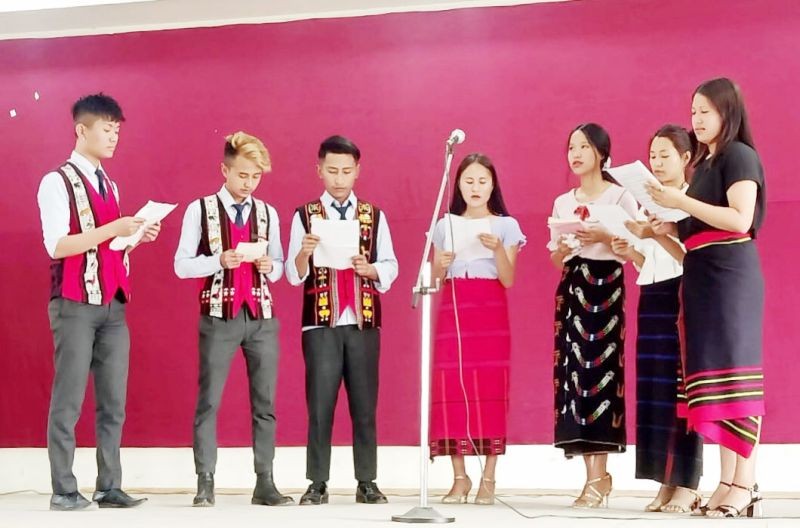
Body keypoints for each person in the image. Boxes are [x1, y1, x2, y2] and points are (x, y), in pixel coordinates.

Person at [649, 78, 766, 518]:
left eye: (706, 111)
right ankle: (727, 482)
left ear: (727, 112)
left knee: (736, 376)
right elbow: (689, 246)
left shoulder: (739, 154)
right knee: (713, 380)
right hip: (700, 278)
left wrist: (679, 200)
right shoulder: (708, 163)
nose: (697, 119)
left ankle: (746, 483)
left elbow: (739, 219)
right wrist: (660, 231)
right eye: (693, 111)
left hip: (731, 278)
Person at [37, 93, 158, 510]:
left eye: (117, 130)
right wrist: (113, 229)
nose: (113, 137)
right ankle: (64, 490)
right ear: (81, 130)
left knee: (113, 401)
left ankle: (108, 485)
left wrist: (134, 238)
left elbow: (107, 247)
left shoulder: (109, 182)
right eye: (106, 129)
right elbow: (58, 245)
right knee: (68, 399)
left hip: (112, 302)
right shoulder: (56, 181)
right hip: (73, 302)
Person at [174, 131, 293, 507]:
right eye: (243, 174)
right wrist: (217, 260)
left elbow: (280, 268)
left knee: (265, 403)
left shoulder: (268, 213)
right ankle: (205, 481)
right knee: (209, 400)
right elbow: (180, 265)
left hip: (261, 315)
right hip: (218, 314)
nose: (249, 183)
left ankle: (265, 482)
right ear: (224, 169)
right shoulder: (201, 209)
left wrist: (269, 264)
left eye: (256, 176)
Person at [286, 135, 399, 505]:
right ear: (318, 170)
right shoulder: (304, 215)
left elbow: (391, 266)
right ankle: (317, 482)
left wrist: (372, 269)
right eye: (332, 171)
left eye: (346, 171)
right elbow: (292, 274)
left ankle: (367, 480)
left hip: (363, 320)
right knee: (320, 404)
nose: (339, 178)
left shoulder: (373, 215)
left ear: (357, 171)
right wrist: (304, 254)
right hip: (320, 322)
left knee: (365, 404)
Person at [611, 125, 703, 513]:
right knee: (653, 392)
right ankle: (663, 480)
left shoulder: (694, 203)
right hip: (651, 296)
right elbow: (651, 260)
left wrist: (659, 232)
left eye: (666, 155)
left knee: (681, 392)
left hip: (681, 296)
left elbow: (693, 259)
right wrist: (630, 246)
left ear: (686, 159)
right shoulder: (650, 203)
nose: (658, 163)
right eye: (653, 156)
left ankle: (687, 482)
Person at [548, 123, 638, 508]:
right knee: (574, 380)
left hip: (607, 286)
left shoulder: (620, 197)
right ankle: (593, 477)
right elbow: (554, 257)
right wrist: (565, 245)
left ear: (601, 151)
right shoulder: (562, 202)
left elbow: (635, 245)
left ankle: (601, 476)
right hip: (573, 284)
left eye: (584, 146)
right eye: (571, 147)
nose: (576, 153)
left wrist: (603, 237)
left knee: (601, 378)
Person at [429, 153, 525, 505]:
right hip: (454, 304)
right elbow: (436, 280)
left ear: (493, 185)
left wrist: (498, 249)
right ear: (457, 184)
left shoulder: (506, 226)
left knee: (489, 387)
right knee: (450, 386)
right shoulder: (445, 225)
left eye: (482, 181)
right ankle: (459, 477)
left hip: (490, 307)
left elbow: (509, 278)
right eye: (468, 181)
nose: (475, 188)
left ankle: (488, 477)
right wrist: (440, 264)